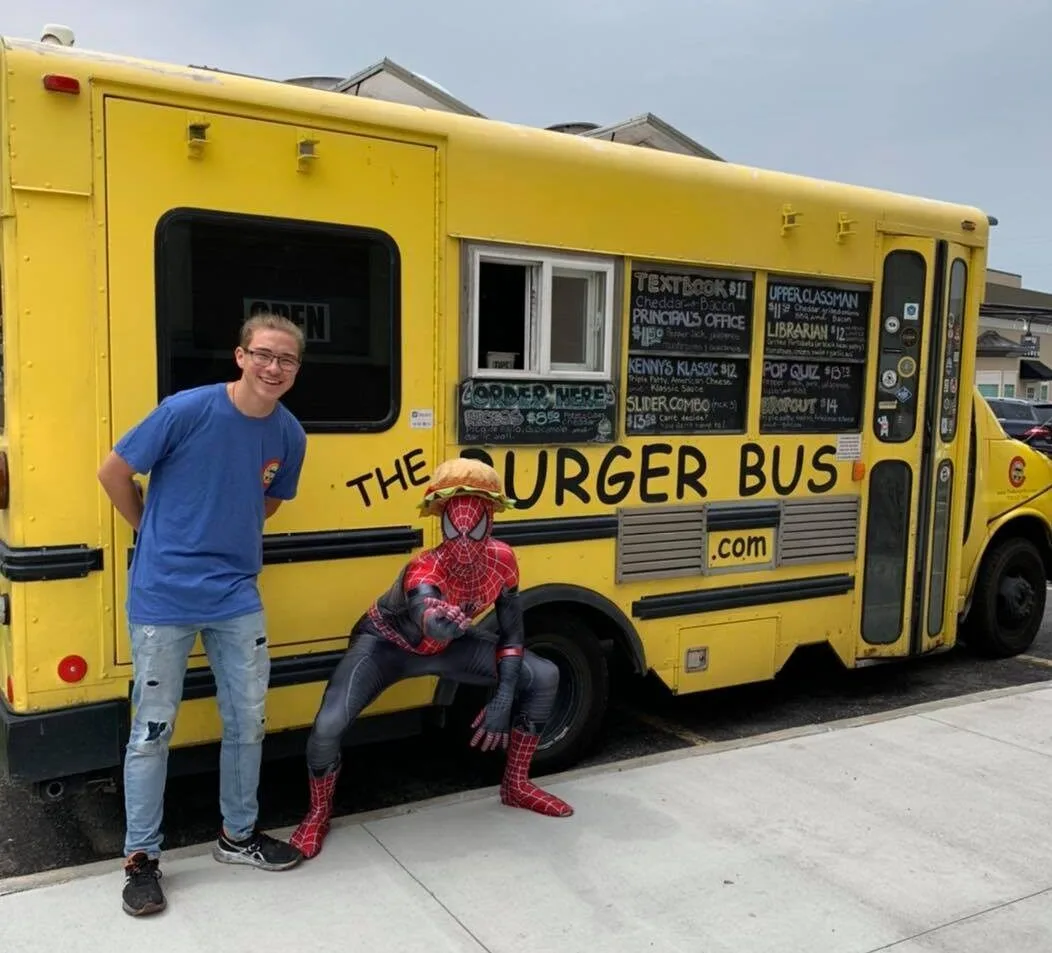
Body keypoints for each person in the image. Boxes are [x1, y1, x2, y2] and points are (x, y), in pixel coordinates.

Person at [97, 313, 309, 917]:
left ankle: (236, 837)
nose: (274, 368)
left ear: (296, 370)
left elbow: (265, 502)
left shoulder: (289, 434)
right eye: (264, 355)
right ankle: (141, 859)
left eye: (287, 360)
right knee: (153, 731)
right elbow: (113, 471)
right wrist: (151, 529)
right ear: (240, 356)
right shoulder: (185, 410)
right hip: (163, 597)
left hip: (236, 595)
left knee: (247, 721)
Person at [288, 457, 574, 860]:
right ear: (440, 523)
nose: (461, 540)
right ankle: (318, 812)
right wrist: (442, 624)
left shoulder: (504, 560)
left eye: (473, 528)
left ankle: (516, 784)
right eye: (452, 528)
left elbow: (512, 633)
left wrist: (503, 697)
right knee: (329, 723)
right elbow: (428, 614)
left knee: (543, 675)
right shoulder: (424, 566)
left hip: (451, 645)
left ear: (490, 521)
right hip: (386, 646)